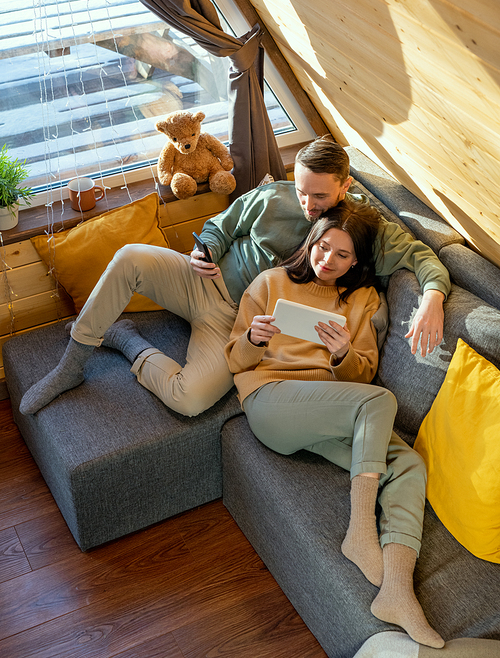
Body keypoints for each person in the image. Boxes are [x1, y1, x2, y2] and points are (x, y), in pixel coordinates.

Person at [19, 136, 450, 417]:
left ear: (344, 185)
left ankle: (129, 341)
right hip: (199, 281)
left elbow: (424, 257)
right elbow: (220, 225)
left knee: (189, 400)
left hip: (234, 323)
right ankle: (71, 366)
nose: (307, 205)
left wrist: (432, 297)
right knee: (130, 255)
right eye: (301, 191)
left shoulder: (363, 227)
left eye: (319, 195)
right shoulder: (272, 196)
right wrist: (203, 249)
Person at [224, 199, 444, 649]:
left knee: (409, 466)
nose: (327, 261)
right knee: (381, 402)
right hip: (271, 401)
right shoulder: (270, 282)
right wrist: (252, 338)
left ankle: (397, 592)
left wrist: (343, 354)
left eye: (342, 255)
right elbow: (234, 359)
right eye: (323, 247)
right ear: (311, 242)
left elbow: (360, 376)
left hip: (332, 409)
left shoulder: (363, 299)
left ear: (357, 260)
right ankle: (360, 529)